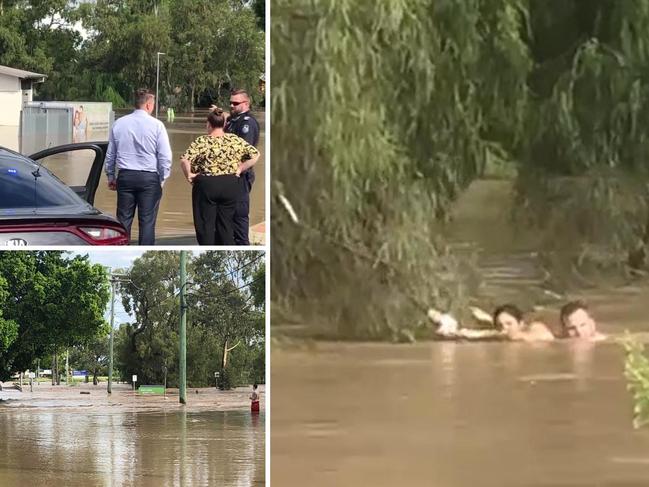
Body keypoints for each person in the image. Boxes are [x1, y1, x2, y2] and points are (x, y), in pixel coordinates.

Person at [180, 108, 260, 245]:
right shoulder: (234, 140)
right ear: (224, 125)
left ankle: (207, 247)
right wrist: (240, 168)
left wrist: (189, 174)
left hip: (207, 185)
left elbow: (184, 160)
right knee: (226, 224)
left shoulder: (202, 141)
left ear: (208, 124)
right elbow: (256, 154)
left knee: (205, 224)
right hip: (230, 185)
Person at [105, 88, 172, 245]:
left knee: (123, 221)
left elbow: (110, 155)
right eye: (153, 104)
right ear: (149, 105)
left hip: (126, 177)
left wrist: (110, 176)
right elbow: (165, 157)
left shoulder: (119, 124)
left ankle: (121, 246)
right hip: (149, 178)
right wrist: (161, 178)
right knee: (147, 221)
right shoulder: (157, 125)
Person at [224, 89, 260, 245]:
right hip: (228, 176)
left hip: (240, 176)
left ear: (246, 103)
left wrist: (236, 170)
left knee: (239, 217)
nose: (232, 105)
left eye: (236, 103)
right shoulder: (233, 120)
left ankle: (242, 244)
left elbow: (244, 151)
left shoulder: (247, 123)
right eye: (230, 102)